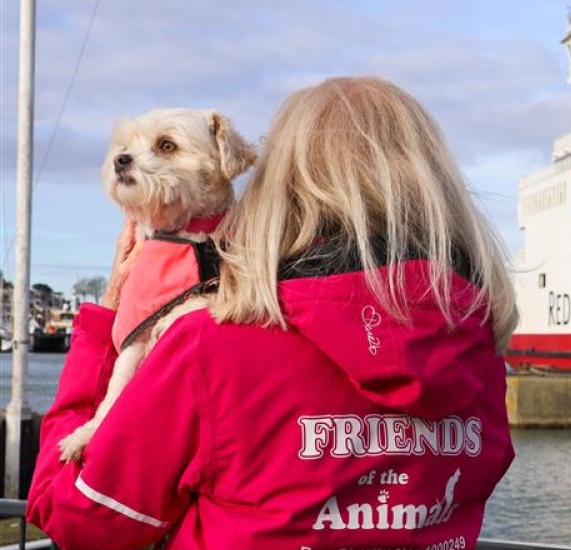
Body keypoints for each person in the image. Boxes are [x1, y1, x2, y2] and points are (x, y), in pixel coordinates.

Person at [27, 76, 517, 550]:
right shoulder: (480, 354)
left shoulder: (210, 345)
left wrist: (101, 325)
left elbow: (77, 519)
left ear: (280, 187)